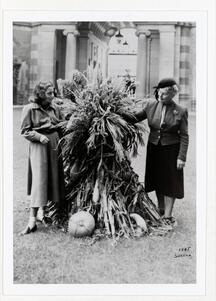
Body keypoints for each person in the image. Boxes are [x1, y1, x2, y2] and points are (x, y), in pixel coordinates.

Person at [121, 78, 189, 226]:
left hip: (171, 150)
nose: (161, 96)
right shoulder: (151, 106)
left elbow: (184, 136)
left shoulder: (181, 111)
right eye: (160, 92)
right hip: (154, 148)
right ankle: (161, 208)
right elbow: (135, 118)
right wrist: (117, 112)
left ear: (172, 93)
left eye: (164, 94)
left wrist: (181, 157)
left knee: (170, 181)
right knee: (158, 179)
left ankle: (168, 216)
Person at [19, 81, 66, 235]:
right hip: (39, 145)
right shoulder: (29, 109)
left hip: (54, 143)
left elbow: (62, 124)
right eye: (49, 93)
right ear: (40, 94)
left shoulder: (55, 108)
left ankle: (42, 213)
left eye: (53, 92)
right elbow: (25, 131)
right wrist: (38, 136)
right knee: (39, 180)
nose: (52, 96)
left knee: (52, 177)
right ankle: (32, 220)